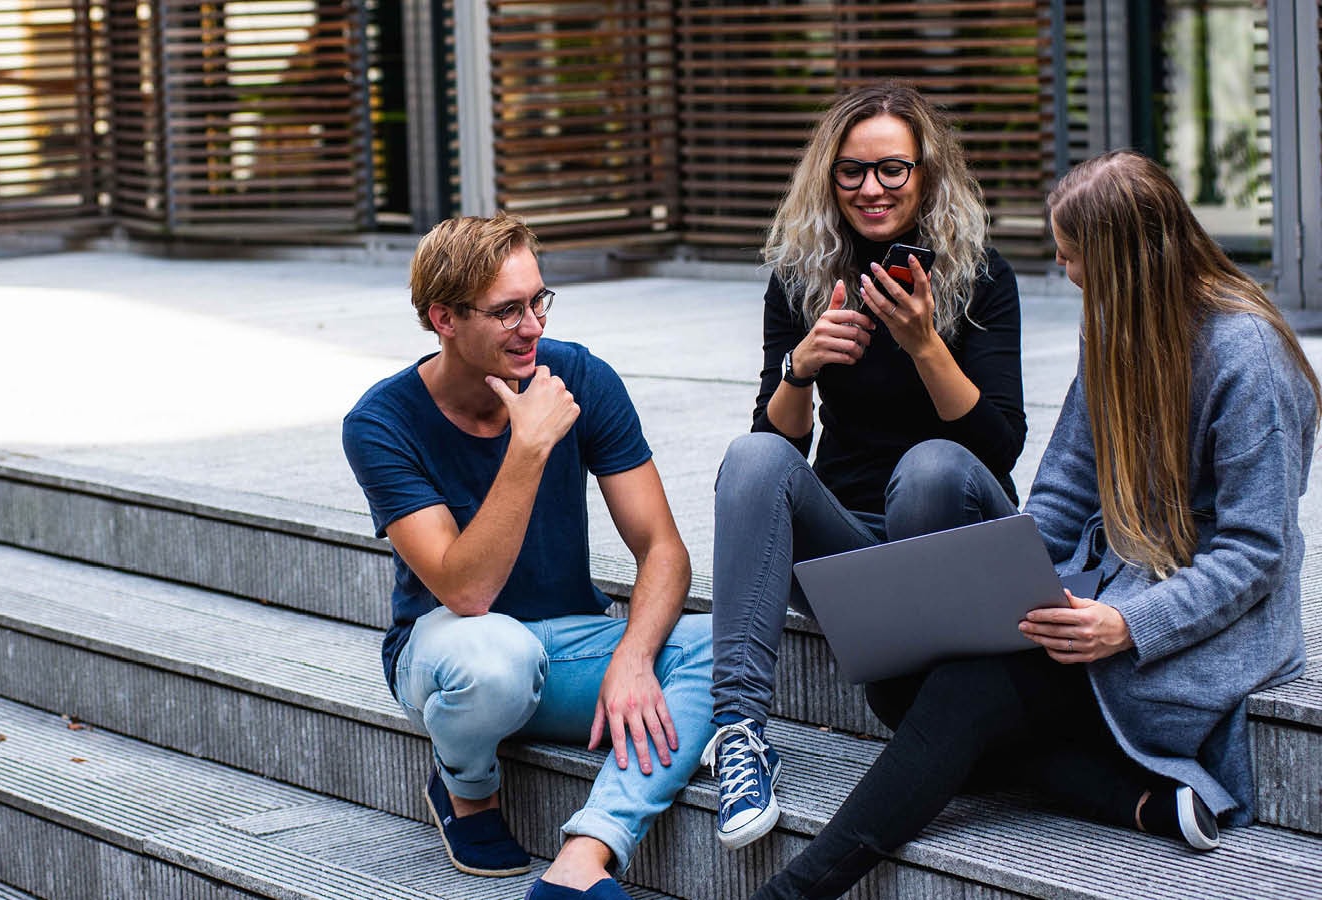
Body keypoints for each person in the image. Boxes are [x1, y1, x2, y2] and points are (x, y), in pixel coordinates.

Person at [751, 149, 1321, 899]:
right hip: (1104, 588)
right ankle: (1130, 797)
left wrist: (1127, 624)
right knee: (901, 683)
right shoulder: (1116, 328)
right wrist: (996, 586)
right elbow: (1060, 494)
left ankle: (794, 891)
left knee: (964, 691)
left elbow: (1254, 555)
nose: (1064, 269)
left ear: (1126, 257)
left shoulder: (1249, 358)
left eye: (1072, 253)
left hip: (1203, 628)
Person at [341, 213, 714, 900]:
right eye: (507, 310)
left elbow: (663, 548)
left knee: (719, 645)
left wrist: (632, 660)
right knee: (495, 657)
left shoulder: (576, 375)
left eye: (538, 300)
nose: (532, 326)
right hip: (449, 653)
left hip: (567, 642)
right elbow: (466, 592)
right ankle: (467, 789)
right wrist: (528, 445)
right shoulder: (380, 423)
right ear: (444, 318)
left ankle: (584, 856)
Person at [704, 81, 1026, 849]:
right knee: (750, 458)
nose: (871, 189)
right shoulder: (801, 277)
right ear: (828, 176)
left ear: (927, 174)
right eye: (851, 171)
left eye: (892, 169)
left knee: (930, 469)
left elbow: (999, 446)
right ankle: (740, 735)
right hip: (853, 552)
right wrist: (800, 368)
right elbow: (775, 454)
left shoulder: (982, 277)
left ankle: (938, 699)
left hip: (954, 536)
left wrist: (924, 344)